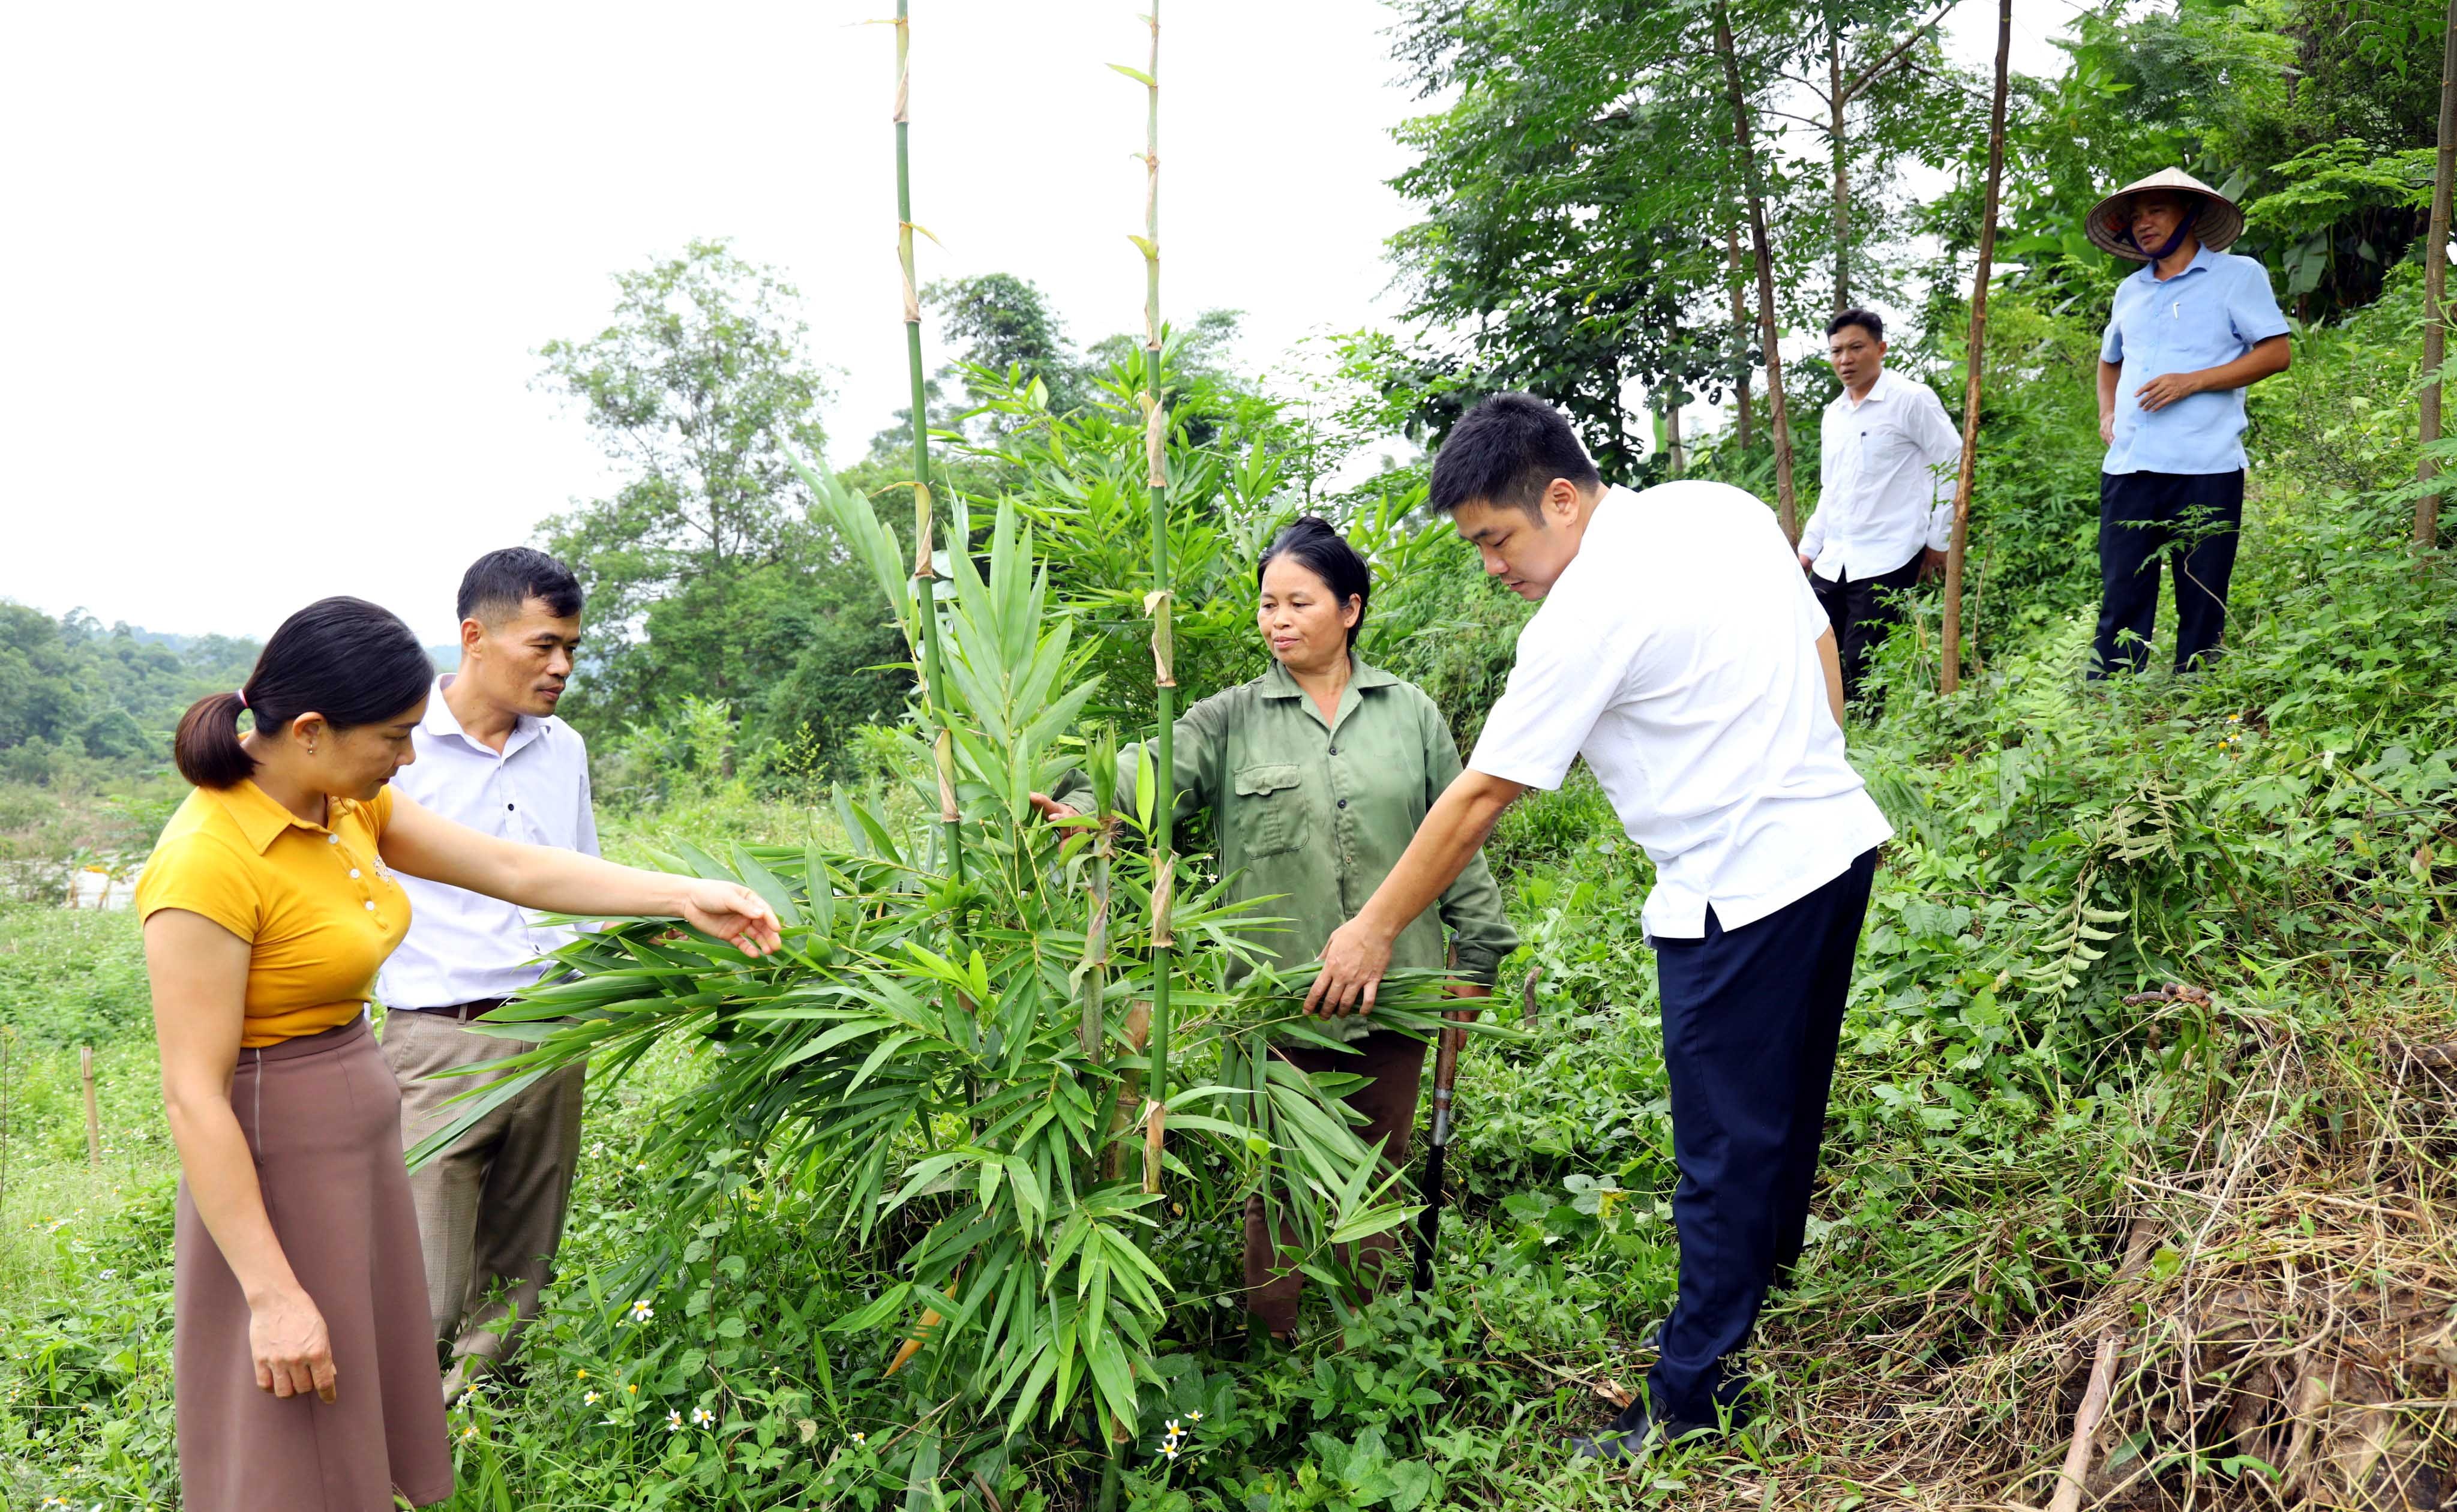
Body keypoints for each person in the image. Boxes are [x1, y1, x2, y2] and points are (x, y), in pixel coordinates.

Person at [1305, 395, 1891, 1455]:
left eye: (1496, 538)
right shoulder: (1718, 508)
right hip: (1836, 843)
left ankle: (1693, 1399)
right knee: (1788, 1094)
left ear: (1563, 498)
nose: (1491, 566)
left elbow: (1483, 795)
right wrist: (1815, 769)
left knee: (1720, 1145)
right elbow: (1818, 637)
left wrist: (1373, 928)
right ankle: (1772, 1275)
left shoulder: (1584, 614)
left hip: (1737, 893)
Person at [137, 596, 781, 1512]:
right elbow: (192, 1096)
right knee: (288, 1414)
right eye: (396, 737)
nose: (408, 757)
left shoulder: (339, 807)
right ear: (312, 731)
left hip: (356, 1136)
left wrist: (682, 894)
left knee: (352, 1397)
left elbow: (515, 870)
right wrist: (270, 1293)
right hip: (276, 1158)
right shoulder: (207, 858)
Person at [1030, 516, 1517, 1342]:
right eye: (1267, 605)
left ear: (1350, 608)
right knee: (1284, 1184)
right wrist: (1082, 805)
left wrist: (1480, 951)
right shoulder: (1227, 721)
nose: (1277, 620)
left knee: (1376, 1174)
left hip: (1397, 992)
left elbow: (1455, 836)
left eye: (1299, 601)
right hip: (1277, 1003)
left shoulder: (1408, 714)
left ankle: (1361, 1349)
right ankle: (1281, 1350)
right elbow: (1145, 775)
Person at [376, 548, 595, 1399]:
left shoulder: (563, 747)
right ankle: (392, 1437)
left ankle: (469, 1429)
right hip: (440, 1038)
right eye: (543, 646)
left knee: (520, 1266)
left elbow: (577, 874)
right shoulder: (399, 748)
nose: (562, 667)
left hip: (557, 1024)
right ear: (475, 636)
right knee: (421, 1282)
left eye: (571, 647)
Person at [2088, 167, 2291, 676]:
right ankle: (2109, 702)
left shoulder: (2237, 275)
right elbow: (2109, 358)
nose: (2143, 224)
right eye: (2135, 217)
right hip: (2130, 465)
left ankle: (2196, 703)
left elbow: (2276, 353)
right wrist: (2107, 412)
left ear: (2191, 214)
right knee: (2121, 592)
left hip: (2206, 463)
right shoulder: (2129, 291)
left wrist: (2192, 381)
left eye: (2156, 211)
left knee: (2201, 594)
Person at [1798, 308, 1961, 704]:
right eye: (1836, 351)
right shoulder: (1833, 415)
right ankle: (1829, 736)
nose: (1845, 360)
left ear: (1881, 348)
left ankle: (1863, 742)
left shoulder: (1910, 399)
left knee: (1861, 658)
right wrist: (1808, 547)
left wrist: (1939, 541)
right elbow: (1830, 487)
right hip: (1835, 555)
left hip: (1889, 550)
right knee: (1813, 649)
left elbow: (1952, 463)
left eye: (1856, 348)